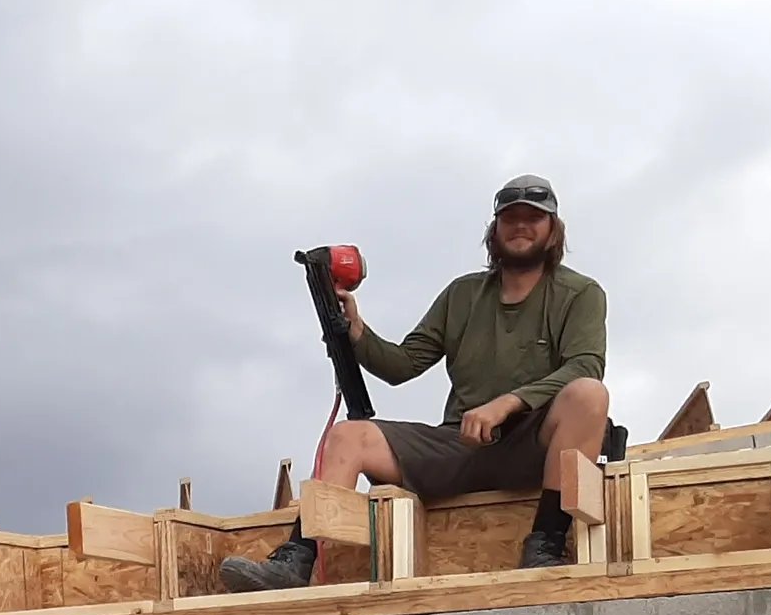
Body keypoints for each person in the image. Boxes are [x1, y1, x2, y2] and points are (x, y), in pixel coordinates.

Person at [222, 174, 610, 590]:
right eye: (510, 217)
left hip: (532, 448)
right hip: (462, 444)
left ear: (553, 228)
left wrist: (507, 403)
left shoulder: (580, 293)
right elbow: (402, 365)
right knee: (349, 436)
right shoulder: (462, 294)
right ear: (495, 228)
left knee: (589, 396)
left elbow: (586, 365)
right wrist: (357, 331)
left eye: (533, 218)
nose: (520, 226)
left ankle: (546, 545)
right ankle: (295, 560)